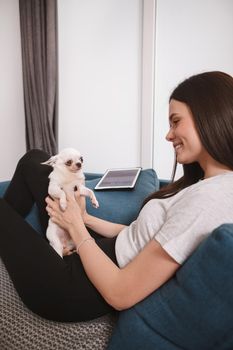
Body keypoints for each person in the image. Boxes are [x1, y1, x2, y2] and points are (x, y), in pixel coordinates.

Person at [1, 71, 233, 323]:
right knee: (33, 160)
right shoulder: (206, 185)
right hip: (99, 255)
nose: (168, 135)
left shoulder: (210, 199)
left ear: (209, 116)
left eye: (175, 122)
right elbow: (139, 235)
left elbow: (120, 293)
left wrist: (76, 229)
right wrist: (85, 218)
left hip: (72, 287)